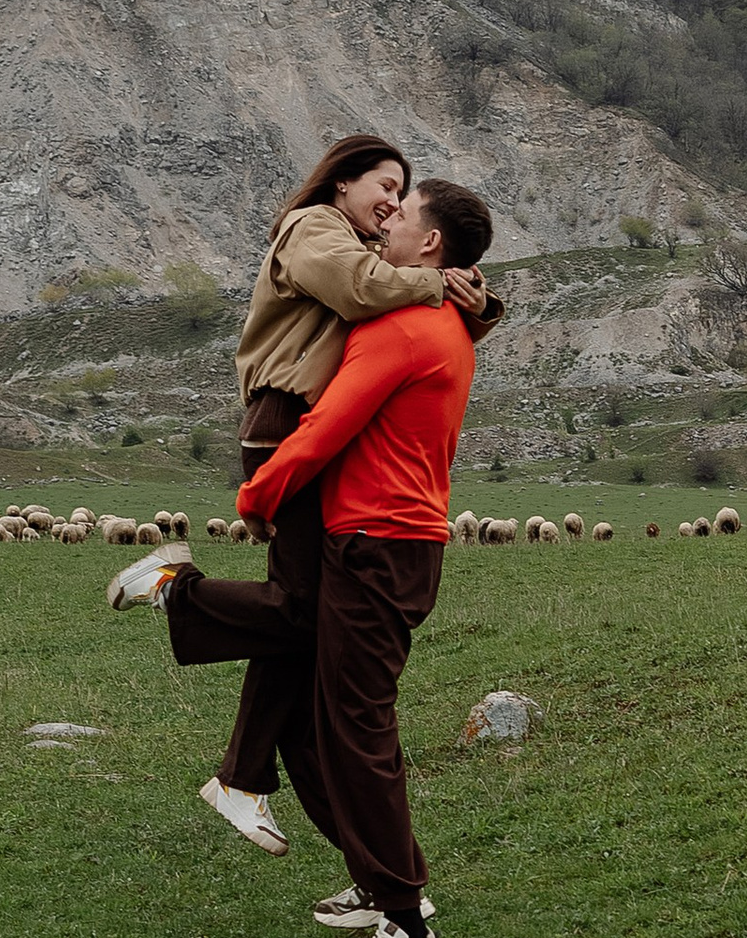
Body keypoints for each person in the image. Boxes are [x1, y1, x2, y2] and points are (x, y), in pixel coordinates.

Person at [106, 134, 489, 851]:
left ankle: (243, 776)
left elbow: (409, 317)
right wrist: (443, 282)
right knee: (307, 610)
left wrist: (475, 298)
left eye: (401, 194)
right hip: (285, 422)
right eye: (383, 184)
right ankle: (172, 587)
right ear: (341, 182)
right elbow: (364, 292)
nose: (391, 201)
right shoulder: (312, 229)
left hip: (305, 425)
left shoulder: (362, 246)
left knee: (306, 619)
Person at [236, 176, 494, 938]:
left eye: (404, 213)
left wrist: (257, 494)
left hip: (375, 541)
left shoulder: (409, 327)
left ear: (432, 247)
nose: (388, 222)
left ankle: (408, 930)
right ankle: (382, 881)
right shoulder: (446, 319)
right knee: (324, 727)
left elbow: (323, 430)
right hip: (394, 540)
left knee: (355, 733)